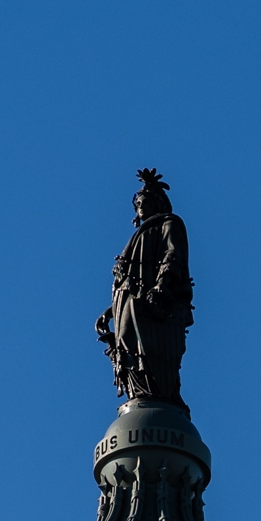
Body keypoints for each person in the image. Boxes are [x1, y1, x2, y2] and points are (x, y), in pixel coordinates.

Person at [98, 168, 193, 409]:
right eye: (137, 203)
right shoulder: (138, 235)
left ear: (158, 203)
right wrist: (111, 311)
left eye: (145, 201)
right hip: (127, 301)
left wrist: (162, 285)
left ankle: (160, 394)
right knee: (128, 347)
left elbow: (173, 255)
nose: (140, 205)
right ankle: (139, 393)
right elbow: (128, 277)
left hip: (151, 301)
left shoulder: (169, 224)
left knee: (151, 348)